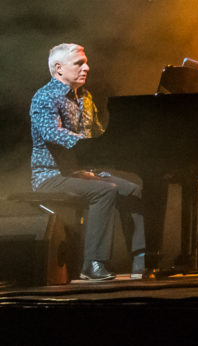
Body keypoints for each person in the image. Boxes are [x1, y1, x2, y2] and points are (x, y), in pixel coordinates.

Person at [30, 43, 146, 281]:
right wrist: (84, 142)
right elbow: (52, 133)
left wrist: (119, 141)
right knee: (105, 191)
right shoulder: (44, 97)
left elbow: (96, 133)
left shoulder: (84, 97)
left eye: (86, 62)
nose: (87, 67)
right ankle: (93, 263)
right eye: (79, 63)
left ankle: (141, 261)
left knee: (133, 189)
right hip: (50, 176)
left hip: (79, 172)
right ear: (59, 69)